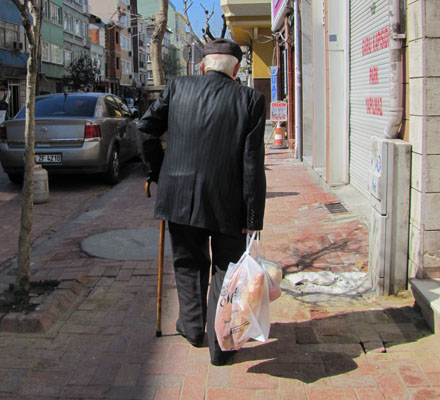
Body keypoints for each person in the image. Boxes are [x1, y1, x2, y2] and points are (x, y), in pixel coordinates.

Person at [137, 38, 266, 366]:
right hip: (229, 201)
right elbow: (252, 163)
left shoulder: (178, 87)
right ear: (236, 70)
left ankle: (193, 330)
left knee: (189, 264)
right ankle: (220, 347)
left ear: (202, 65)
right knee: (227, 270)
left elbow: (145, 129)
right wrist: (253, 218)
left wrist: (157, 172)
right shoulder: (250, 99)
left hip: (179, 197)